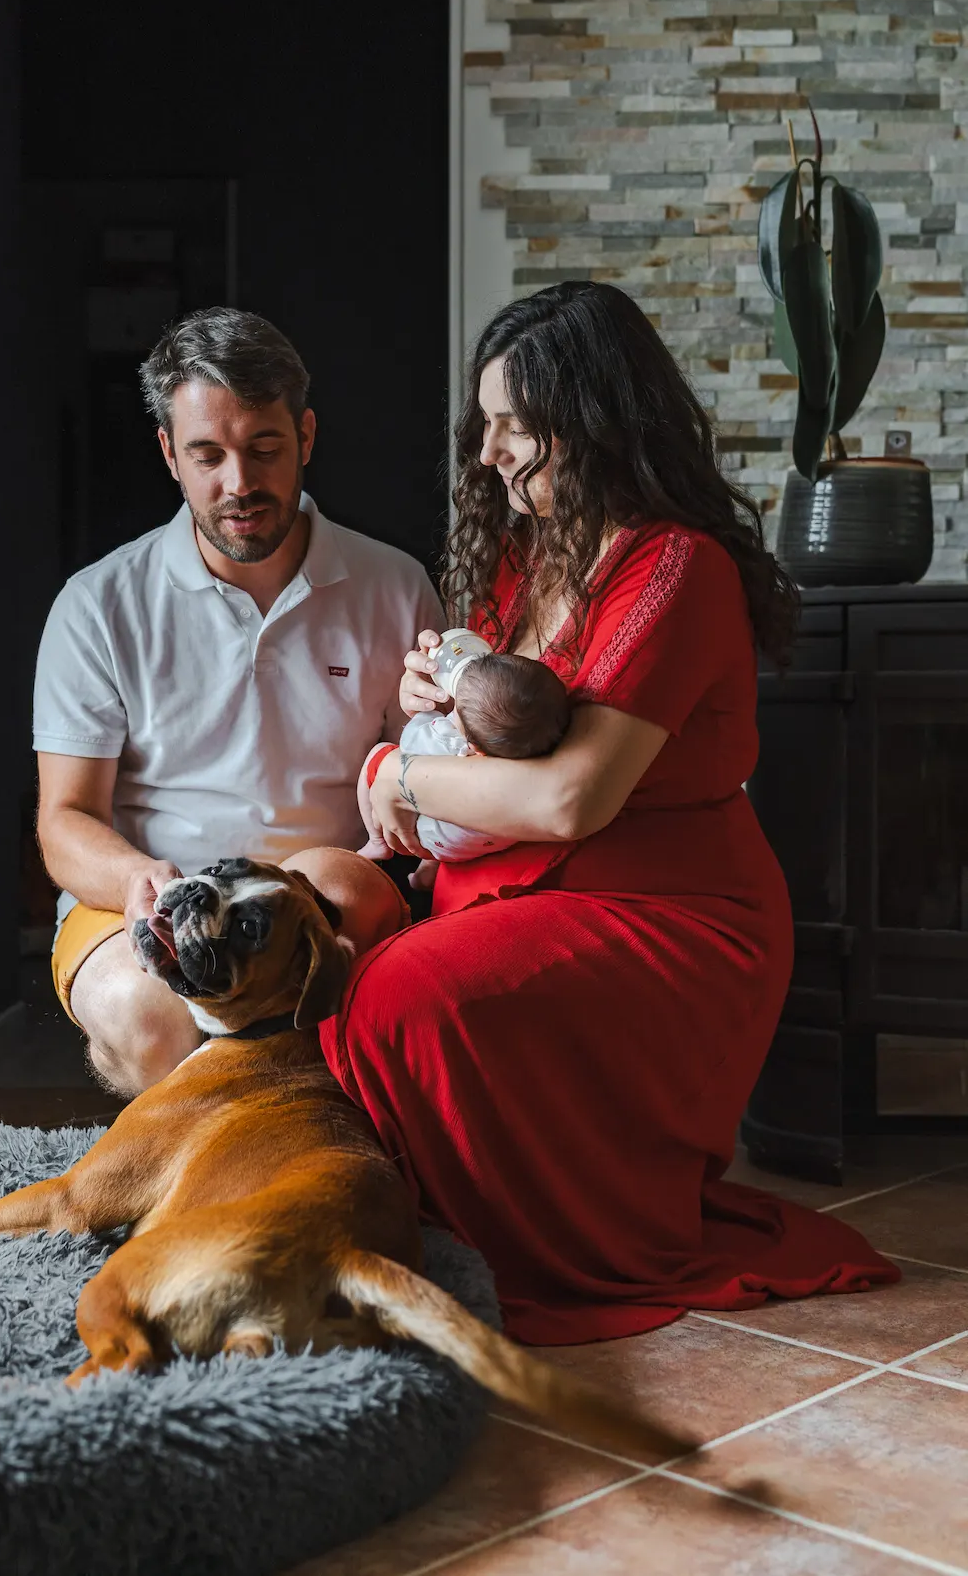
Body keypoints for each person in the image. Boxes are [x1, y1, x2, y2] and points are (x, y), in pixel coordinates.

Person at [321, 281, 897, 1344]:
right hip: (518, 876)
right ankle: (376, 1220)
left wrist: (399, 776)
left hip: (666, 910)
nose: (488, 450)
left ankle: (504, 1247)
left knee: (405, 993)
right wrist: (432, 702)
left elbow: (565, 795)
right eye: (484, 421)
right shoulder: (520, 557)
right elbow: (495, 732)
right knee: (325, 931)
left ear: (588, 422)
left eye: (513, 425)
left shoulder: (674, 567)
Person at [33, 306, 442, 1098]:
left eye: (263, 449)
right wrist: (136, 880)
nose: (239, 483)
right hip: (151, 893)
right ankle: (198, 1169)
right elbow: (64, 819)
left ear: (307, 438)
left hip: (328, 893)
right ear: (168, 454)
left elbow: (424, 786)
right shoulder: (98, 604)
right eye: (207, 455)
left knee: (330, 881)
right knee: (152, 1022)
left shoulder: (395, 586)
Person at [357, 636, 571, 865]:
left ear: (475, 748)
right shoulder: (534, 750)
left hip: (432, 841)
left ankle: (377, 841)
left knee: (382, 755)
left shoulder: (444, 740)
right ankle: (428, 870)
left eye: (457, 710)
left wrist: (433, 714)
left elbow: (410, 740)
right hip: (496, 836)